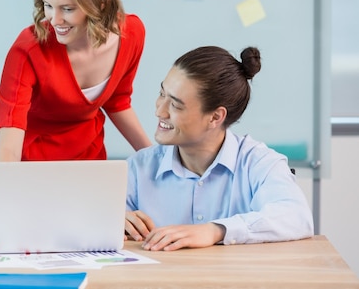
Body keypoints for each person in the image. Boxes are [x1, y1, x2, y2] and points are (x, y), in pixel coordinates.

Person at [0, 0, 152, 198]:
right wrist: (6, 195)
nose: (53, 19)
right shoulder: (29, 50)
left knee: (93, 232)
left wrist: (154, 158)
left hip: (85, 150)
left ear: (100, 3)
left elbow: (117, 100)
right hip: (24, 154)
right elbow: (10, 135)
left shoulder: (132, 34)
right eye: (48, 5)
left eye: (67, 9)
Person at [125, 46, 314, 251]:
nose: (159, 110)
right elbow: (93, 220)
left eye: (176, 105)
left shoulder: (259, 163)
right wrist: (112, 222)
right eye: (162, 94)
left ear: (215, 117)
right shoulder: (138, 167)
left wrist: (216, 230)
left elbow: (296, 217)